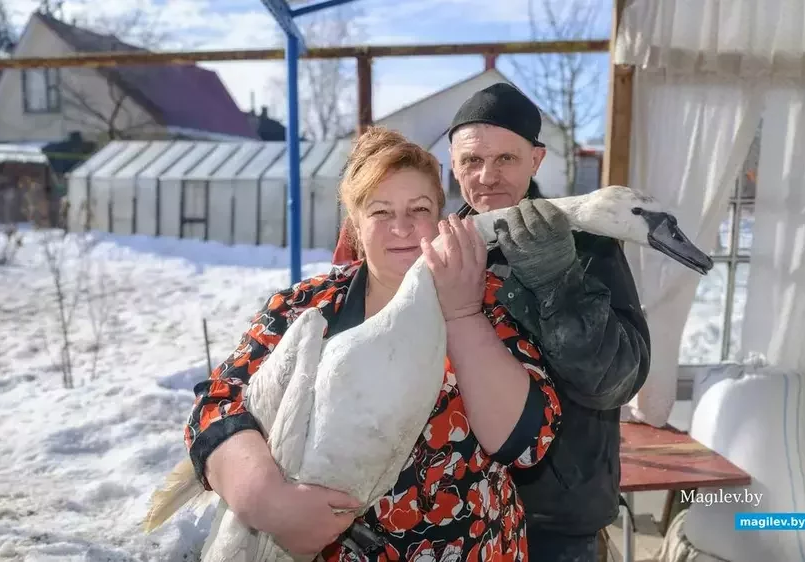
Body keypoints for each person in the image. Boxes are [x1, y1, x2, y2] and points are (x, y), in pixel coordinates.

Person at [184, 126, 563, 561]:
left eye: (418, 209)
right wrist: (267, 500)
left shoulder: (486, 299)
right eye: (381, 212)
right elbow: (216, 405)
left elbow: (527, 442)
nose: (401, 228)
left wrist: (462, 317)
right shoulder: (306, 306)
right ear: (356, 226)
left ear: (440, 218)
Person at [446, 82, 651, 561]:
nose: (487, 176)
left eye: (506, 158)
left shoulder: (586, 243)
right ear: (453, 165)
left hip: (555, 521)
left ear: (536, 160)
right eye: (472, 160)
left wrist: (559, 282)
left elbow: (616, 381)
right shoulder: (444, 250)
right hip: (460, 512)